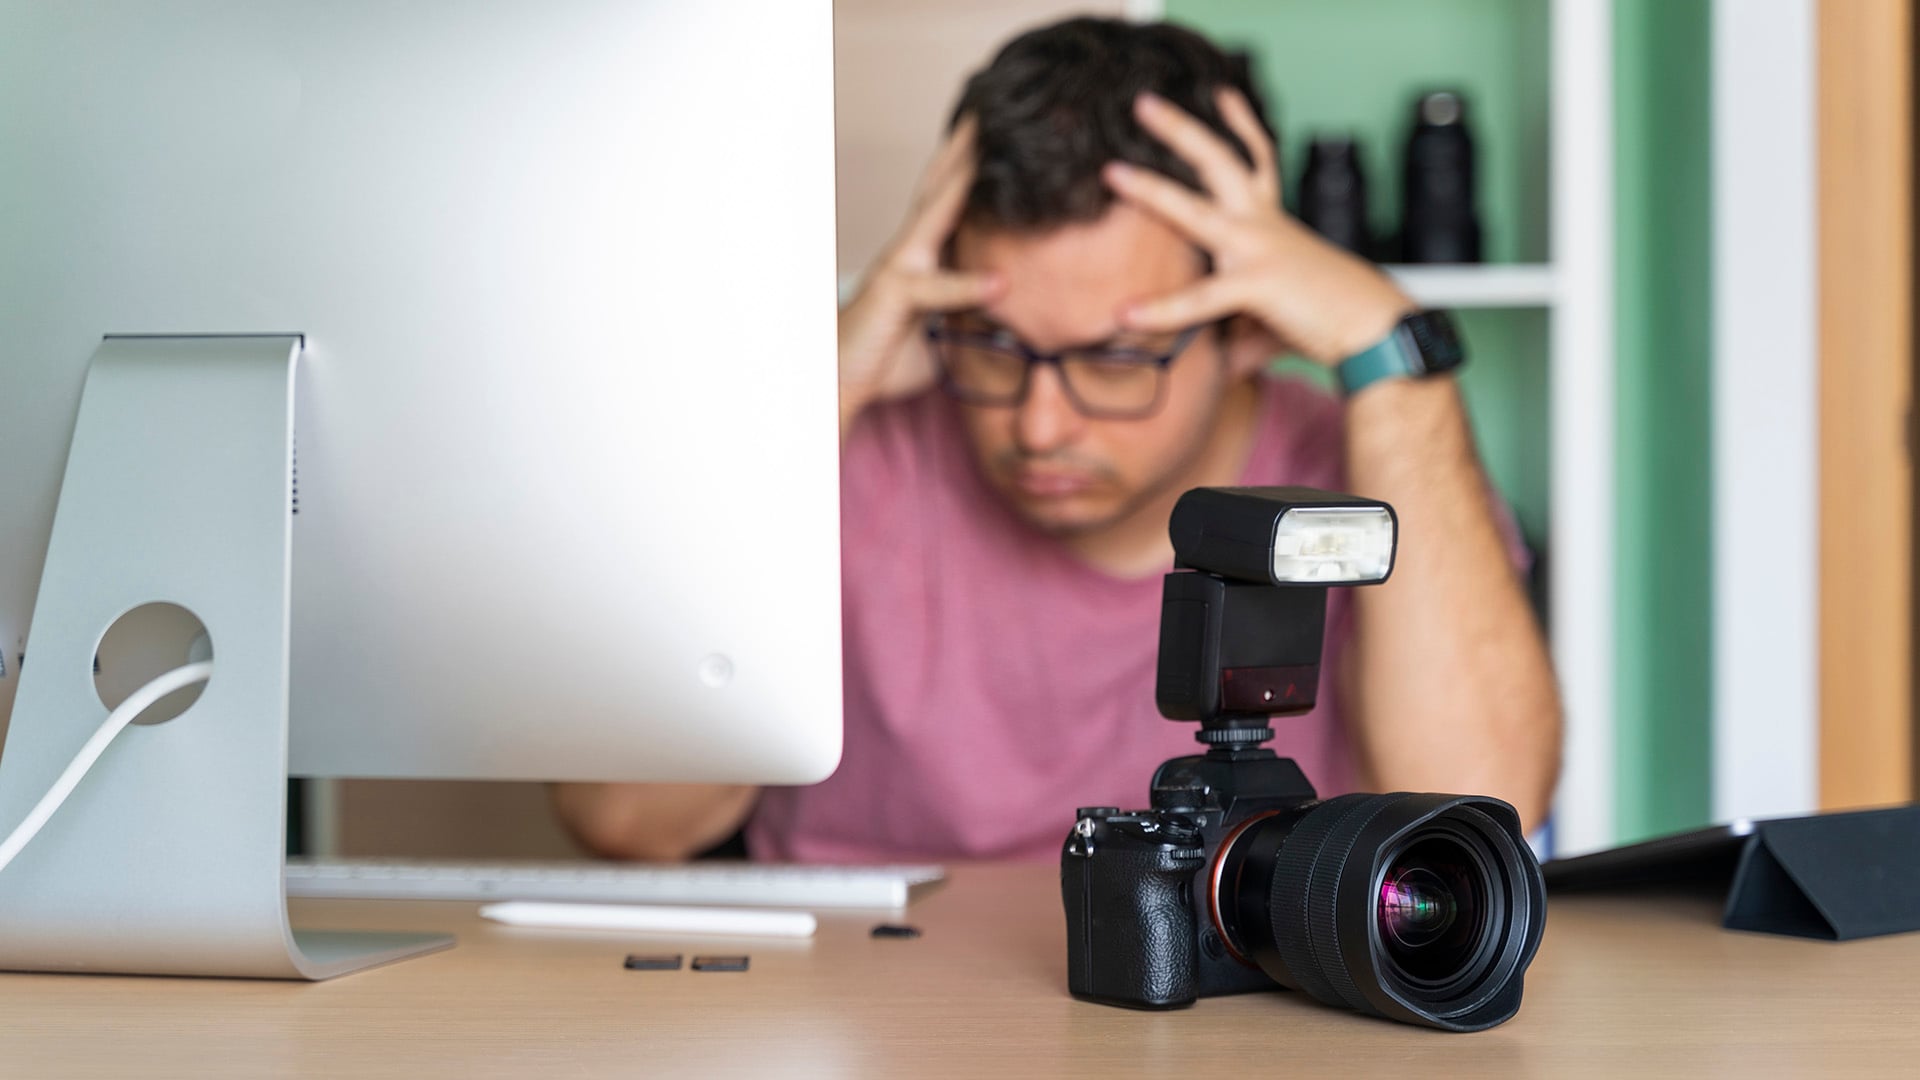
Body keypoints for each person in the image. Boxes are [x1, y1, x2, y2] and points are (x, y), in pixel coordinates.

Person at [554, 18, 1561, 862]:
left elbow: (1478, 806)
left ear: (1246, 327)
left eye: (1118, 359)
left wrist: (1388, 352)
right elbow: (626, 816)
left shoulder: (1360, 470)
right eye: (994, 347)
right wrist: (828, 384)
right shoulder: (852, 451)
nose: (1039, 426)